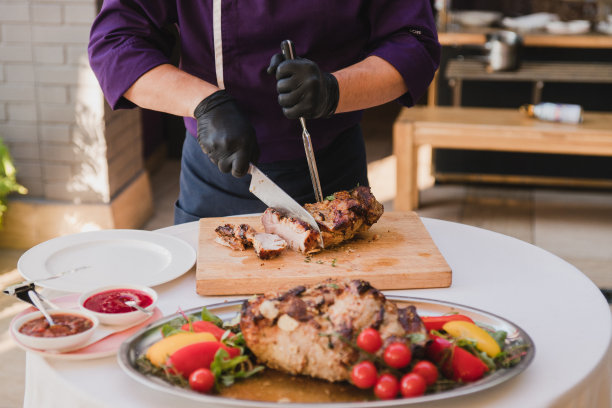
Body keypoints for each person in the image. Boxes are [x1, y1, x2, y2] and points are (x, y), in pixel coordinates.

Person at [88, 1, 440, 224]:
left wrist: (335, 89)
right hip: (217, 176)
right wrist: (203, 102)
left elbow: (412, 42)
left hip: (331, 174)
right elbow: (116, 41)